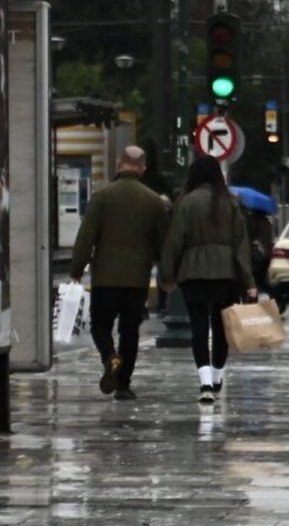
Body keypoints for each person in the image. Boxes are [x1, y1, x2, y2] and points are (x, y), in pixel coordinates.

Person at [68, 145, 168, 401]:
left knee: (100, 326)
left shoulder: (102, 197)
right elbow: (162, 243)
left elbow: (86, 237)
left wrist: (77, 269)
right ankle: (123, 385)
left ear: (119, 165)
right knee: (130, 331)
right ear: (143, 168)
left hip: (105, 277)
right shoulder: (154, 201)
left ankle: (110, 357)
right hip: (137, 279)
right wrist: (167, 274)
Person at [159, 156, 257, 404]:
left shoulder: (187, 202)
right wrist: (249, 281)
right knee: (222, 328)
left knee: (199, 328)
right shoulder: (231, 202)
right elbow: (241, 244)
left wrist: (167, 274)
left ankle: (204, 384)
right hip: (226, 274)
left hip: (193, 272)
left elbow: (174, 241)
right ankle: (217, 376)